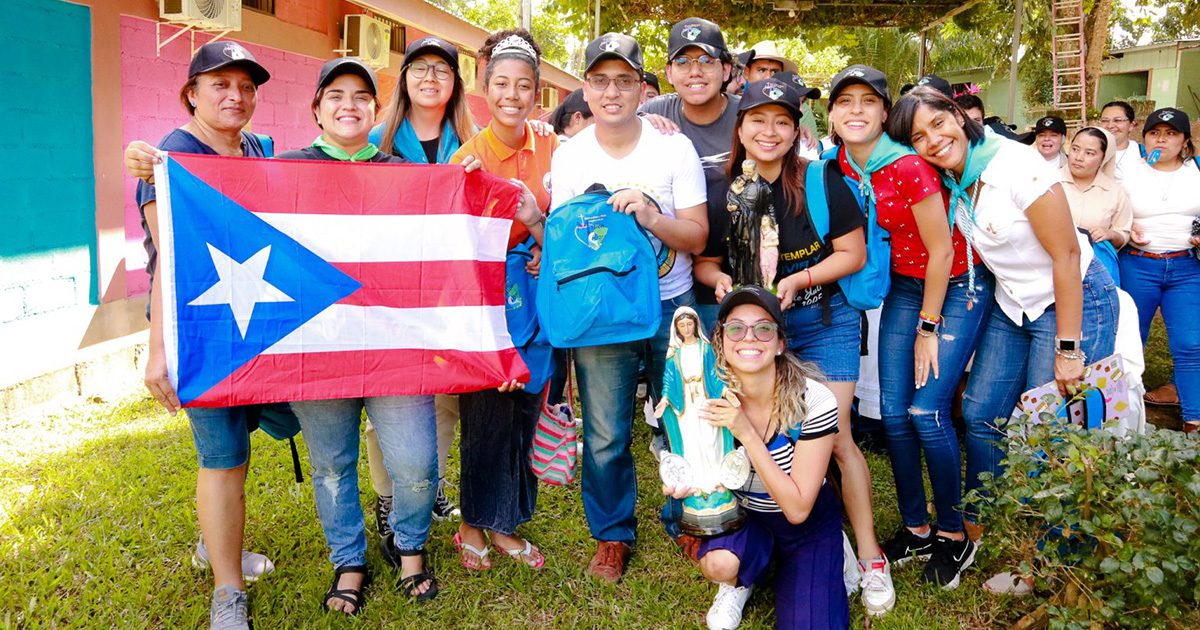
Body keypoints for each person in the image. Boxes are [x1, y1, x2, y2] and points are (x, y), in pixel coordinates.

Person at [697, 75, 900, 616]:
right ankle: (754, 547)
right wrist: (719, 282)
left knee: (837, 440)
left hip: (820, 320)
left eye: (782, 122)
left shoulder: (819, 181)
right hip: (752, 336)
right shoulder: (724, 189)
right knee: (748, 427)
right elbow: (706, 259)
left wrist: (799, 280)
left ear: (795, 130)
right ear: (740, 126)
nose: (769, 131)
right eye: (757, 120)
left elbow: (852, 253)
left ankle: (869, 555)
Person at [887, 87, 1118, 554]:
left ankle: (1057, 552)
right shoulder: (955, 179)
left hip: (1071, 302)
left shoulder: (1013, 164)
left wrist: (1069, 349)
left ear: (957, 115)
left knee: (1051, 428)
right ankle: (986, 519)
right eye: (918, 137)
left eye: (938, 124)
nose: (932, 140)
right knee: (979, 413)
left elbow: (1068, 254)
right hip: (1012, 305)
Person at [276, 57, 442, 614]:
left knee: (417, 464)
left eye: (361, 97)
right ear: (316, 109)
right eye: (336, 95)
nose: (349, 105)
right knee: (331, 465)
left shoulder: (403, 173)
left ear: (375, 111)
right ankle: (348, 559)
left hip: (393, 346)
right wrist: (157, 166)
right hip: (317, 348)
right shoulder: (286, 170)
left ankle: (409, 545)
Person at [128, 41, 279, 630]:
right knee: (221, 455)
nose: (235, 96)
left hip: (258, 316)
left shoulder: (258, 149)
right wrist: (158, 352)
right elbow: (173, 258)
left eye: (245, 86)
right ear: (191, 93)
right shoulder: (171, 157)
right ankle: (226, 588)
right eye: (220, 84)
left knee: (243, 447)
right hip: (200, 327)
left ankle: (216, 545)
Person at [549, 31, 708, 582]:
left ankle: (692, 518)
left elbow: (696, 234)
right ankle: (612, 534)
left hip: (671, 304)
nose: (611, 91)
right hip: (603, 315)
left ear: (643, 89)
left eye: (623, 80)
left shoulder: (673, 146)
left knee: (688, 421)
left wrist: (649, 216)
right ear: (585, 90)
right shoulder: (570, 156)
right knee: (606, 432)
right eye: (600, 80)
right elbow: (568, 243)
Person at [828, 65, 991, 591]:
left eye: (867, 102)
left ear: (884, 113)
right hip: (901, 285)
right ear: (829, 116)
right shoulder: (842, 166)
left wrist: (928, 326)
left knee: (926, 410)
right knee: (893, 414)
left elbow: (943, 250)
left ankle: (952, 532)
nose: (855, 111)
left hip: (955, 285)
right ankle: (917, 526)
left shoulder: (907, 167)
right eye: (843, 101)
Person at [671, 285, 848, 630]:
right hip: (745, 519)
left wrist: (747, 434)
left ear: (780, 342)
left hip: (806, 527)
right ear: (720, 341)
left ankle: (835, 555)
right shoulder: (707, 395)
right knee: (719, 563)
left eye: (763, 328)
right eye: (735, 328)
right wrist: (685, 481)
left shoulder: (815, 401)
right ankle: (743, 579)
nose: (749, 338)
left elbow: (798, 510)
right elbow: (697, 462)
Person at [446, 28, 554, 572]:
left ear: (538, 93)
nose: (513, 95)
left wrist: (543, 240)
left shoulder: (553, 146)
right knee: (487, 406)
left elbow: (568, 219)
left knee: (529, 406)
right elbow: (452, 243)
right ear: (484, 89)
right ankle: (473, 520)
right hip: (488, 293)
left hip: (542, 287)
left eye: (525, 86)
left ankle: (507, 521)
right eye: (502, 84)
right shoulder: (468, 158)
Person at [368, 35, 475, 529]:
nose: (430, 77)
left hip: (451, 292)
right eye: (420, 67)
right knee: (392, 391)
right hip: (390, 291)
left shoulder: (475, 143)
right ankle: (388, 493)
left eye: (442, 69)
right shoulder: (375, 142)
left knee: (446, 394)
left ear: (455, 84)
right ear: (404, 78)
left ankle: (430, 484)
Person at [1117, 107, 1200, 433]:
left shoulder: (1195, 171)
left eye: (1171, 134)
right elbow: (1110, 207)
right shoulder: (1130, 172)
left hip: (1186, 267)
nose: (1162, 140)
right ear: (1145, 136)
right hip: (1138, 263)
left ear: (1184, 140)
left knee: (1191, 343)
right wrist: (1127, 224)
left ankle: (1193, 420)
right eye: (1155, 133)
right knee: (1130, 339)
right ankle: (1121, 418)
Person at [1061, 127, 1133, 284]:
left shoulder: (1115, 192)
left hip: (1093, 275)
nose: (1079, 157)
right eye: (1075, 149)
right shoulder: (1049, 183)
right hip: (1048, 269)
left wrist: (1110, 234)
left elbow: (1124, 233)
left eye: (1089, 153)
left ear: (1103, 158)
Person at [1097, 100, 1143, 180]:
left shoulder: (1143, 153)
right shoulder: (1090, 152)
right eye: (1105, 121)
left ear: (1131, 125)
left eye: (1117, 120)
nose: (1110, 126)